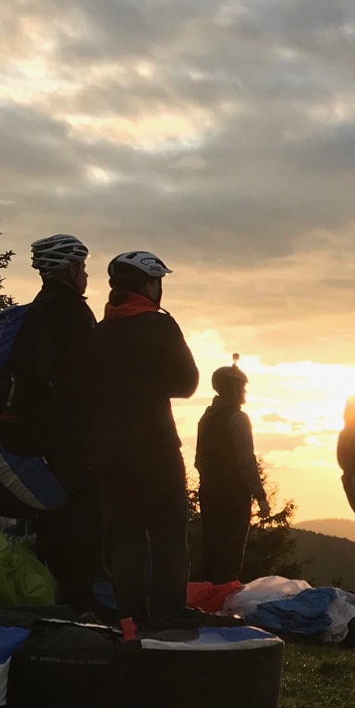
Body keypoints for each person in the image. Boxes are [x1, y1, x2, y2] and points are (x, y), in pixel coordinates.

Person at [87, 249, 199, 621]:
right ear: (149, 285)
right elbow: (188, 383)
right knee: (169, 538)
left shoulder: (99, 334)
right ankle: (169, 618)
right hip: (155, 448)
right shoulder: (161, 326)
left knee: (125, 539)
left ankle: (129, 620)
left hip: (108, 453)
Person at [7, 233, 102, 612]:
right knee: (83, 513)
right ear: (69, 269)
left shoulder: (39, 309)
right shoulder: (72, 312)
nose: (87, 275)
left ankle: (55, 590)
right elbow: (88, 374)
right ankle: (78, 598)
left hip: (42, 429)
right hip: (72, 431)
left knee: (56, 512)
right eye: (83, 266)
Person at [194, 362, 271, 584]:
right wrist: (260, 496)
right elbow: (246, 460)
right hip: (234, 494)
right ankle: (223, 600)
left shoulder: (206, 418)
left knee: (211, 547)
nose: (245, 393)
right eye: (243, 388)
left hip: (209, 492)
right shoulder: (238, 418)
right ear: (235, 389)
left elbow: (199, 460)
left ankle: (207, 597)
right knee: (231, 552)